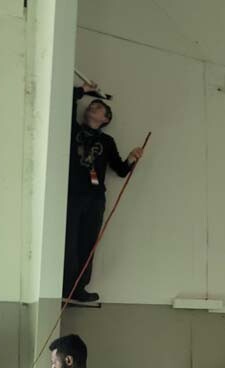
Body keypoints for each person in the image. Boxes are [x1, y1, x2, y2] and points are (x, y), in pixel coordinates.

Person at [65, 82, 144, 302]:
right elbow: (67, 99)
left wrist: (131, 158)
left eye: (99, 106)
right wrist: (84, 90)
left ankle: (79, 289)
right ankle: (63, 287)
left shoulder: (107, 142)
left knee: (88, 243)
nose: (93, 106)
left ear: (106, 119)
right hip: (72, 194)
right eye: (91, 105)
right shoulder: (73, 130)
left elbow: (121, 170)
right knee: (68, 240)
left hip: (96, 198)